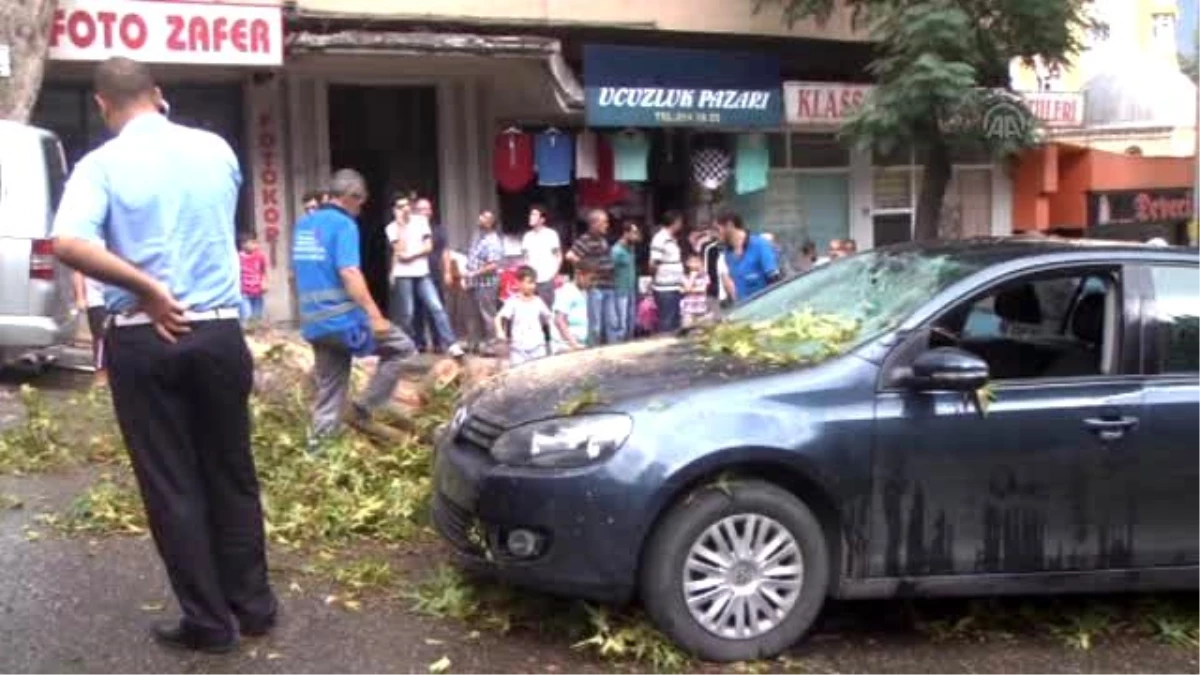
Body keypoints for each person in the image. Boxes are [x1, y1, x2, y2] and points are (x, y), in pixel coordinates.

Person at [51, 57, 276, 653]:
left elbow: (69, 241)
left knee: (172, 482)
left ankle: (208, 623)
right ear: (159, 94)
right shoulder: (217, 151)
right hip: (220, 333)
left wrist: (149, 290)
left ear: (102, 105)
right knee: (231, 473)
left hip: (146, 337)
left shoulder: (101, 165)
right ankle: (253, 607)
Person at [294, 169, 422, 444]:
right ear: (351, 196)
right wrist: (375, 316)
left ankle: (318, 453)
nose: (360, 208)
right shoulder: (344, 225)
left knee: (330, 391)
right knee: (403, 350)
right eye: (360, 202)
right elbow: (349, 271)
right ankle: (365, 408)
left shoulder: (304, 225)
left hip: (315, 323)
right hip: (344, 321)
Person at [385, 194, 464, 359]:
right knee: (408, 313)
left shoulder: (420, 222)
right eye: (400, 206)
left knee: (437, 307)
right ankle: (409, 346)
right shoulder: (391, 228)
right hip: (403, 274)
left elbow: (428, 247)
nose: (404, 209)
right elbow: (399, 251)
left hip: (422, 272)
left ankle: (451, 343)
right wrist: (401, 226)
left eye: (406, 205)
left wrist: (412, 255)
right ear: (395, 210)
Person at [567, 208, 618, 345]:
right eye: (604, 222)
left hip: (609, 285)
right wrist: (587, 267)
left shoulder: (603, 240)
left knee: (612, 322)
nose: (607, 225)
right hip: (596, 286)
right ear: (594, 224)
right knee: (596, 325)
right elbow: (570, 256)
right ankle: (593, 351)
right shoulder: (585, 240)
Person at [411, 197, 451, 353]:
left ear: (431, 211)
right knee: (417, 311)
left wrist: (447, 271)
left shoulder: (438, 230)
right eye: (420, 209)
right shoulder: (412, 230)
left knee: (436, 309)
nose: (424, 212)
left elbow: (445, 252)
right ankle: (419, 343)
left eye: (426, 209)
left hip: (434, 274)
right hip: (416, 274)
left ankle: (438, 342)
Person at [717, 211, 781, 303]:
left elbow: (774, 280)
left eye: (718, 229)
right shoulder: (728, 254)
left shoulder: (760, 245)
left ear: (729, 225)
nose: (716, 234)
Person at [463, 209, 504, 353]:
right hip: (473, 282)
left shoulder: (493, 240)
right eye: (481, 216)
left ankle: (491, 346)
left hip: (487, 283)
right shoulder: (477, 236)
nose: (482, 219)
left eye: (487, 218)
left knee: (487, 314)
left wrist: (474, 273)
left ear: (491, 222)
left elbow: (493, 265)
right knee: (472, 314)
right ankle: (473, 343)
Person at [495, 266, 552, 366]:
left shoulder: (538, 301)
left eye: (534, 283)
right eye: (529, 282)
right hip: (518, 349)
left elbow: (548, 318)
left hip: (538, 346)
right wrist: (500, 332)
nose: (532, 286)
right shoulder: (513, 301)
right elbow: (498, 318)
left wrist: (550, 337)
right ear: (519, 283)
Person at [649, 210, 685, 333]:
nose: (681, 224)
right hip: (665, 288)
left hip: (675, 286)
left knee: (675, 320)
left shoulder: (671, 239)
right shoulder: (660, 238)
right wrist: (655, 279)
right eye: (679, 221)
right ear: (674, 222)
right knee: (667, 321)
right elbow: (654, 263)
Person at [521, 204, 562, 307]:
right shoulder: (527, 236)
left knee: (546, 312)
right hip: (531, 281)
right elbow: (525, 258)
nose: (531, 217)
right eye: (530, 214)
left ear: (542, 219)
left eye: (534, 215)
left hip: (546, 280)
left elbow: (558, 256)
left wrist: (553, 275)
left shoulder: (551, 234)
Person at [72, 270, 108, 386]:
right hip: (96, 297)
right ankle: (101, 374)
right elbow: (78, 271)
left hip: (118, 296)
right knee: (101, 337)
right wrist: (80, 297)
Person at [610, 221, 641, 342]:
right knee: (621, 322)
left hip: (631, 288)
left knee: (630, 320)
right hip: (620, 289)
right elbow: (609, 269)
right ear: (626, 233)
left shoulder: (631, 248)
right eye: (634, 233)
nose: (636, 236)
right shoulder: (616, 251)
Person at [552, 266, 589, 354]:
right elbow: (559, 320)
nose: (590, 282)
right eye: (588, 279)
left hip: (585, 343)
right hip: (570, 345)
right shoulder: (568, 291)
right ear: (579, 274)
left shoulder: (586, 291)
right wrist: (573, 343)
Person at [238, 234, 268, 325]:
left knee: (257, 318)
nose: (255, 245)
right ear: (243, 244)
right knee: (247, 317)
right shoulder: (238, 257)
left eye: (256, 242)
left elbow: (264, 271)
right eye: (252, 242)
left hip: (258, 291)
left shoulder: (260, 256)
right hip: (244, 292)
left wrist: (265, 282)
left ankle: (256, 337)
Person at [681, 254, 711, 328]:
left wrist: (689, 290)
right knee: (687, 326)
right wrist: (693, 276)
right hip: (688, 308)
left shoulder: (705, 275)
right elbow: (686, 288)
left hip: (701, 307)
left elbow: (703, 289)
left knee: (702, 327)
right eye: (692, 262)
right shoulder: (684, 276)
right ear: (687, 263)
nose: (694, 264)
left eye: (697, 262)